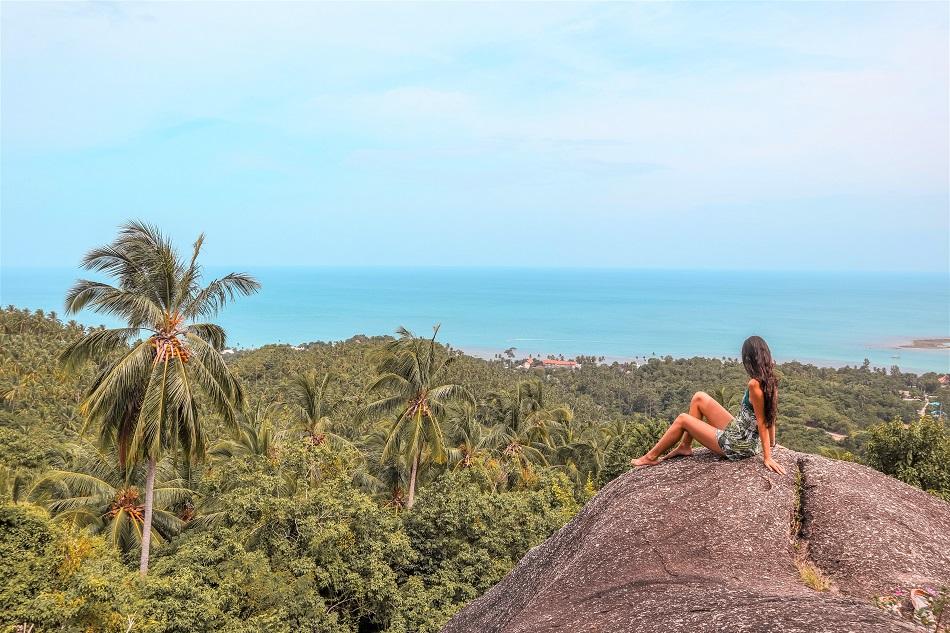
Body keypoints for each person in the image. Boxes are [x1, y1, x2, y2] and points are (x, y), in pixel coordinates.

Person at [630, 336, 786, 474]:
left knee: (683, 419)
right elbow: (771, 415)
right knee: (699, 397)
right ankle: (685, 446)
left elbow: (763, 421)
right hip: (741, 431)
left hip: (739, 444)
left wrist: (767, 457)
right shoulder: (770, 381)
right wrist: (772, 443)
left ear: (749, 359)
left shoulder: (755, 384)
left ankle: (650, 457)